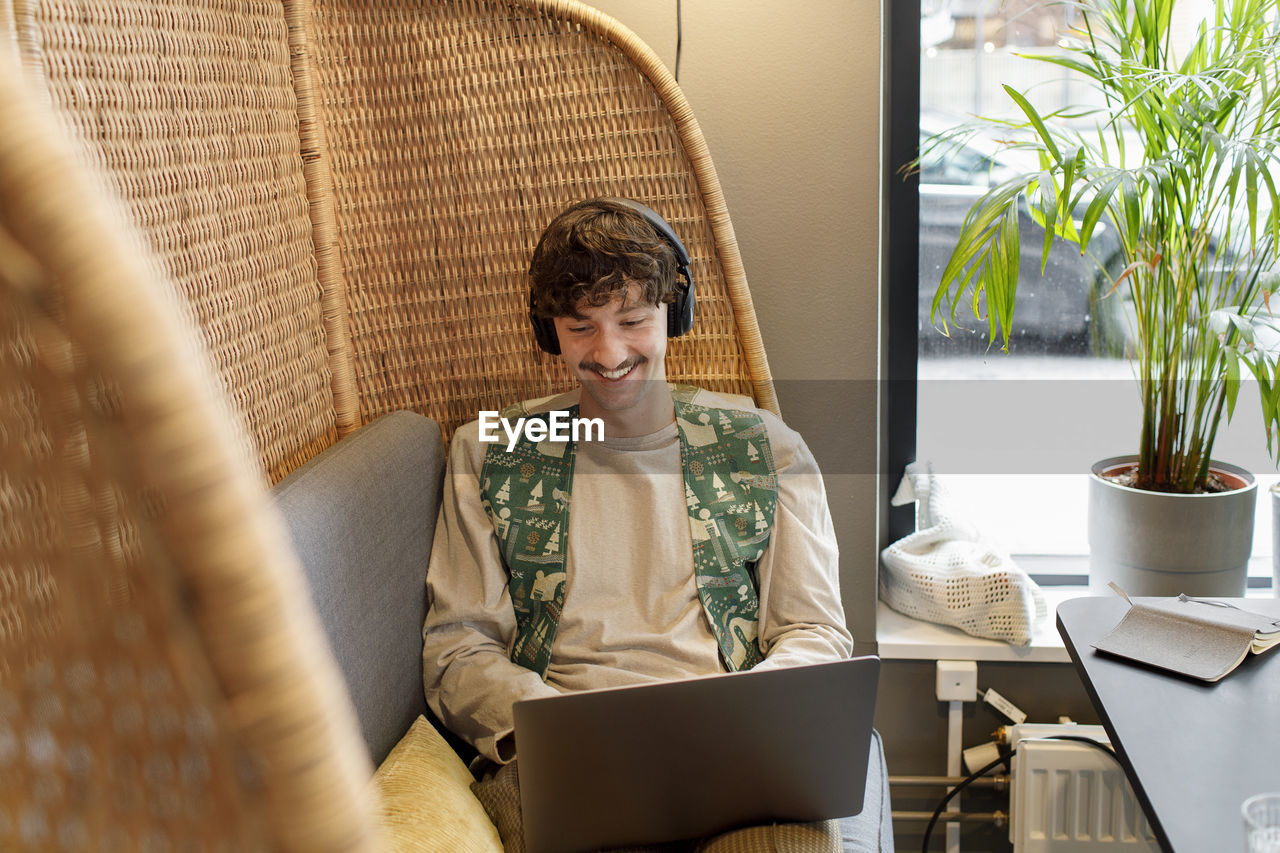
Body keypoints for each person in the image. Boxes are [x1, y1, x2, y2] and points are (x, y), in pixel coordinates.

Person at [421, 198, 889, 852]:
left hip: (734, 754)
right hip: (567, 761)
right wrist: (542, 721)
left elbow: (812, 627)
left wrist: (750, 714)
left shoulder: (765, 446)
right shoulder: (491, 451)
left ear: (675, 312)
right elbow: (459, 642)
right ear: (548, 329)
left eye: (633, 319)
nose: (608, 352)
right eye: (580, 326)